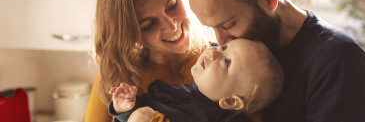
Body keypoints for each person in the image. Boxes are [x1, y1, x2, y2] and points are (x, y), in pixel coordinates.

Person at [186, 0, 365, 122]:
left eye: (228, 25)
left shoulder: (338, 61)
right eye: (211, 28)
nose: (220, 42)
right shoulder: (223, 58)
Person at [84, 0, 209, 122]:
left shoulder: (222, 63)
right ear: (128, 34)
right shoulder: (115, 82)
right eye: (149, 25)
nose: (171, 26)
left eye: (172, 5)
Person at [109, 39, 284, 122]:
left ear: (231, 100)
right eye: (224, 47)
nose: (214, 50)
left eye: (227, 61)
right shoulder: (168, 92)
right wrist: (125, 108)